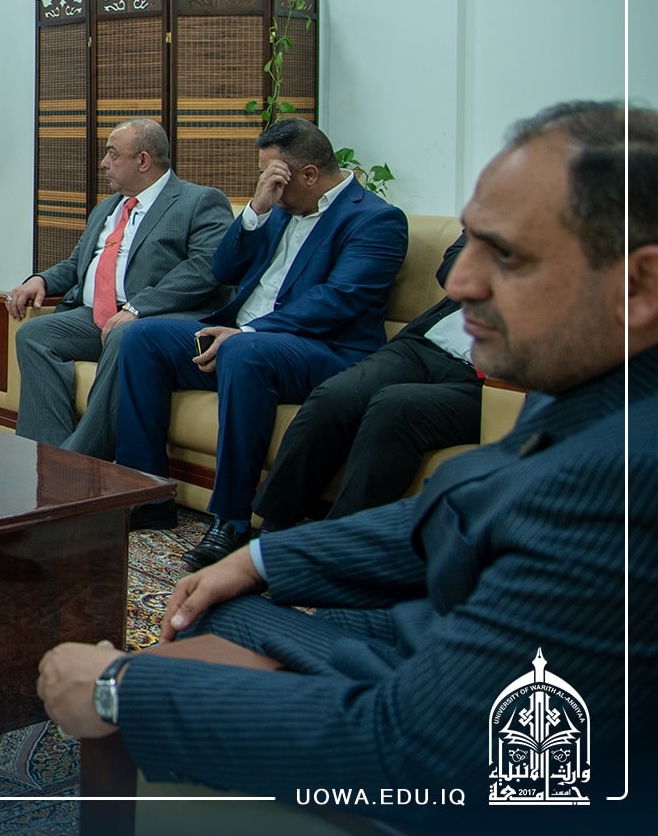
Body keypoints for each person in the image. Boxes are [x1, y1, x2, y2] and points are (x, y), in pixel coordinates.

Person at [38, 101, 655, 823]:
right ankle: (153, 494)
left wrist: (119, 689)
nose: (458, 284)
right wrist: (261, 559)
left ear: (639, 286)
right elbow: (446, 517)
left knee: (158, 675)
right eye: (471, 243)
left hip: (448, 717)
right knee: (219, 609)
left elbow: (423, 745)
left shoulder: (624, 481)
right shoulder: (593, 378)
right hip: (427, 631)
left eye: (507, 255)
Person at [111, 117, 407, 571]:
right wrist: (255, 209)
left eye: (273, 175)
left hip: (321, 351)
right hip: (243, 341)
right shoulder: (279, 208)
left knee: (241, 351)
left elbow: (340, 300)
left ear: (309, 174)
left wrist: (248, 333)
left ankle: (231, 519)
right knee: (142, 335)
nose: (268, 184)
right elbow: (224, 271)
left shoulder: (375, 219)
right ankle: (148, 495)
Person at [7, 118, 232, 458]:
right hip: (95, 316)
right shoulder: (108, 207)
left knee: (123, 336)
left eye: (112, 154)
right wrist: (41, 280)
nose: (103, 163)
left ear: (143, 160)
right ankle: (47, 456)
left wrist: (137, 308)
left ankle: (76, 460)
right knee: (34, 334)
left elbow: (205, 268)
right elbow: (78, 262)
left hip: (156, 319)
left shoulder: (199, 201)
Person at [249, 231, 481, 530]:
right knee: (335, 396)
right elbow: (452, 271)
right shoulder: (502, 217)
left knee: (395, 406)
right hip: (425, 346)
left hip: (488, 382)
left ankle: (339, 544)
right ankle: (272, 529)